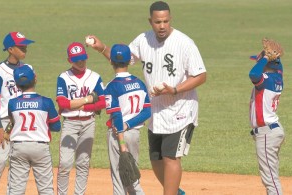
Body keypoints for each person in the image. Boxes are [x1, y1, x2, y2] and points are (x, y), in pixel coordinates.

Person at [86, 1, 207, 194]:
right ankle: (176, 191)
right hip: (156, 111)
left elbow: (201, 76)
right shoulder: (143, 40)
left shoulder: (185, 43)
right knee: (156, 159)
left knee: (170, 157)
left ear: (170, 20)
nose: (162, 26)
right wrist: (102, 48)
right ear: (150, 21)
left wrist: (174, 90)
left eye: (166, 21)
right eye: (158, 22)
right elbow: (122, 59)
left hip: (181, 110)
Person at [56, 42, 106, 195]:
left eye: (82, 58)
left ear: (87, 56)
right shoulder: (63, 77)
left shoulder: (95, 77)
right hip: (70, 123)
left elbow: (104, 102)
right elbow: (62, 103)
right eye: (76, 59)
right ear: (69, 60)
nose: (80, 61)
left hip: (88, 123)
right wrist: (88, 100)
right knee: (65, 163)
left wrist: (83, 107)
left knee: (83, 163)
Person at [6, 65, 61, 194]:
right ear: (35, 79)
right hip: (40, 148)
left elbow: (13, 123)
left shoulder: (12, 103)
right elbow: (57, 127)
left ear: (17, 85)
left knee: (16, 190)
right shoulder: (46, 102)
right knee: (46, 189)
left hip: (19, 147)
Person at [105, 44, 151, 194]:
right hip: (134, 134)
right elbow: (147, 111)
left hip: (119, 135)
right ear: (129, 60)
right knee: (132, 176)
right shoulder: (139, 83)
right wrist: (129, 124)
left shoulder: (112, 86)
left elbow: (117, 115)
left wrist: (121, 140)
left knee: (119, 178)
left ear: (111, 61)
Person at [0, 31, 34, 194]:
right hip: (4, 120)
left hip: (23, 122)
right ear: (10, 49)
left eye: (25, 44)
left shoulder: (29, 68)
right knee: (0, 161)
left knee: (18, 164)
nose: (25, 48)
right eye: (21, 46)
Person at [249, 40, 285, 195]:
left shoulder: (265, 80)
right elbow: (278, 68)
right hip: (273, 131)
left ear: (266, 66)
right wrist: (271, 59)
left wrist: (264, 58)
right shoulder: (277, 78)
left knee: (270, 180)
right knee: (271, 175)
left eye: (260, 62)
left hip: (267, 134)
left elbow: (253, 74)